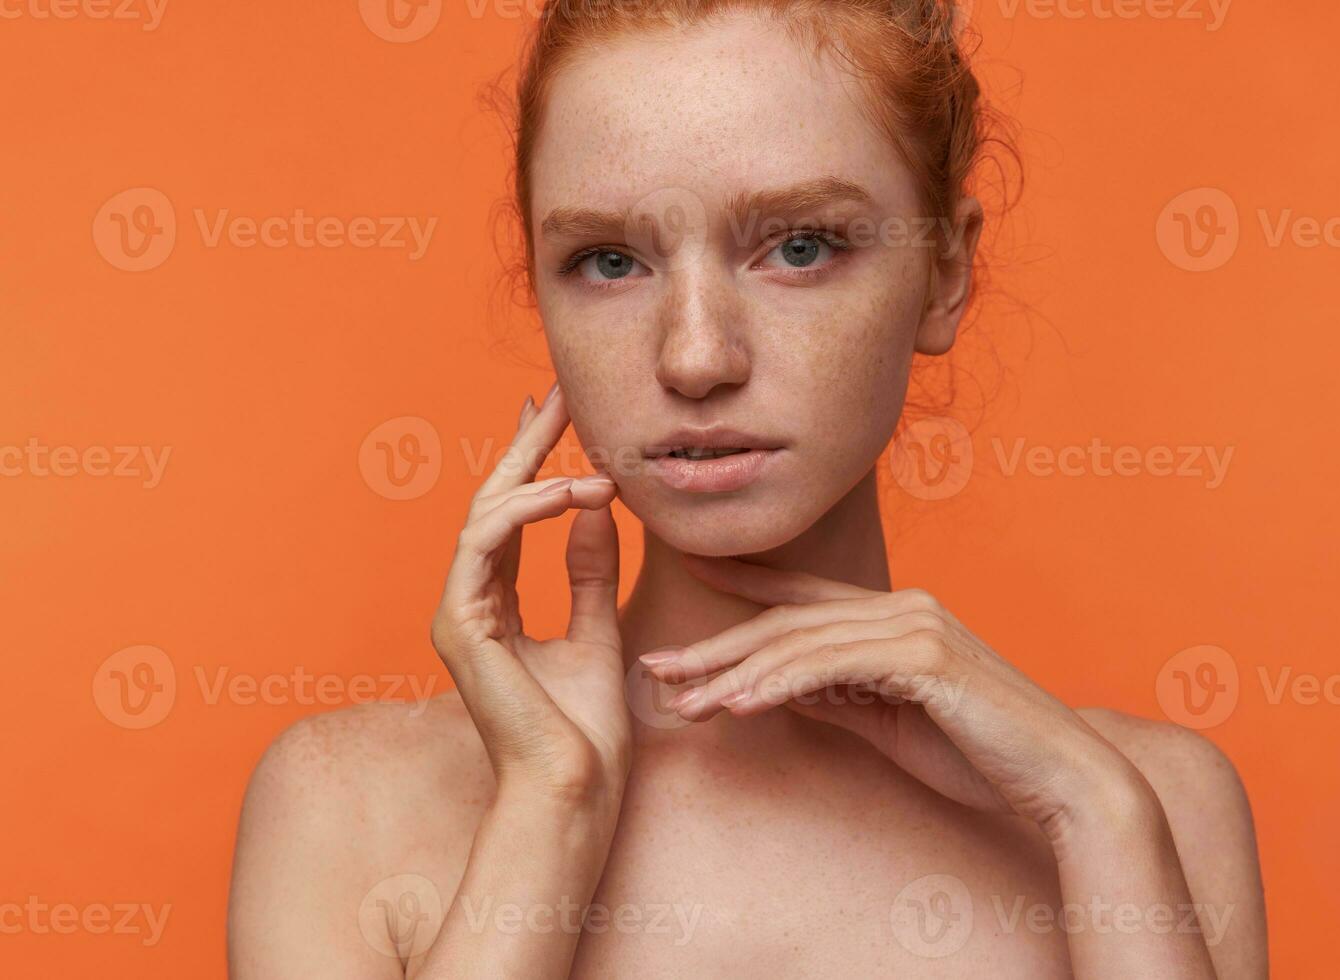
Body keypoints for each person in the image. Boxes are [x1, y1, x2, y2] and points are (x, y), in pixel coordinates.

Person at [227, 1, 1267, 976]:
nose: (693, 356)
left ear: (944, 273)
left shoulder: (1149, 804)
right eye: (607, 261)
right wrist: (550, 813)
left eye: (800, 246)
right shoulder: (347, 806)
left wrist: (1093, 812)